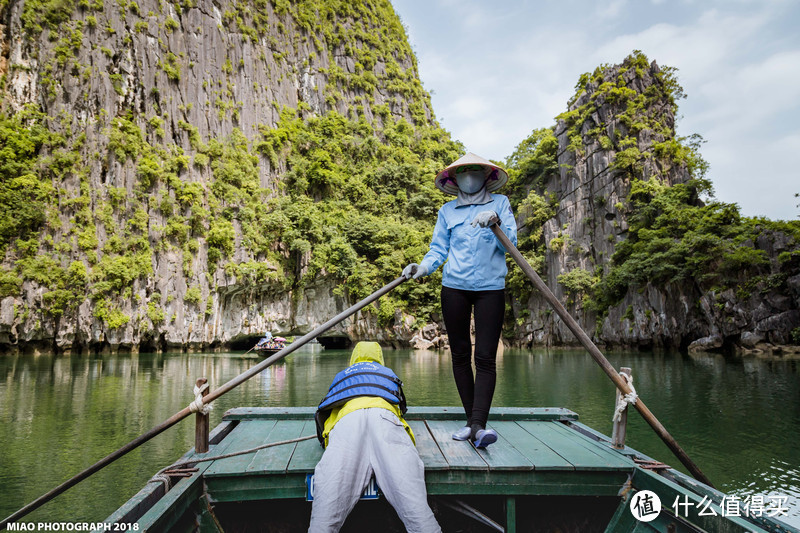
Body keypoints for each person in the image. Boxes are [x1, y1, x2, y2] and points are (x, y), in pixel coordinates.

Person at [402, 152, 517, 448]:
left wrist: (495, 222)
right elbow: (438, 249)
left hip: (490, 287)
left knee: (486, 358)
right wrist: (422, 267)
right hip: (454, 287)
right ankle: (473, 423)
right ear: (454, 179)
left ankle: (479, 424)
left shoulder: (500, 204)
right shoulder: (447, 211)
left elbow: (511, 246)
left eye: (474, 171)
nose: (469, 176)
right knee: (460, 355)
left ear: (485, 176)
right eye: (462, 172)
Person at [309, 341, 440, 533]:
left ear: (353, 358)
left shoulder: (342, 376)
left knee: (325, 516)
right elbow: (400, 409)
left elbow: (325, 412)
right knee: (416, 509)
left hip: (348, 423)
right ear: (380, 358)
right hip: (384, 419)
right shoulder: (388, 374)